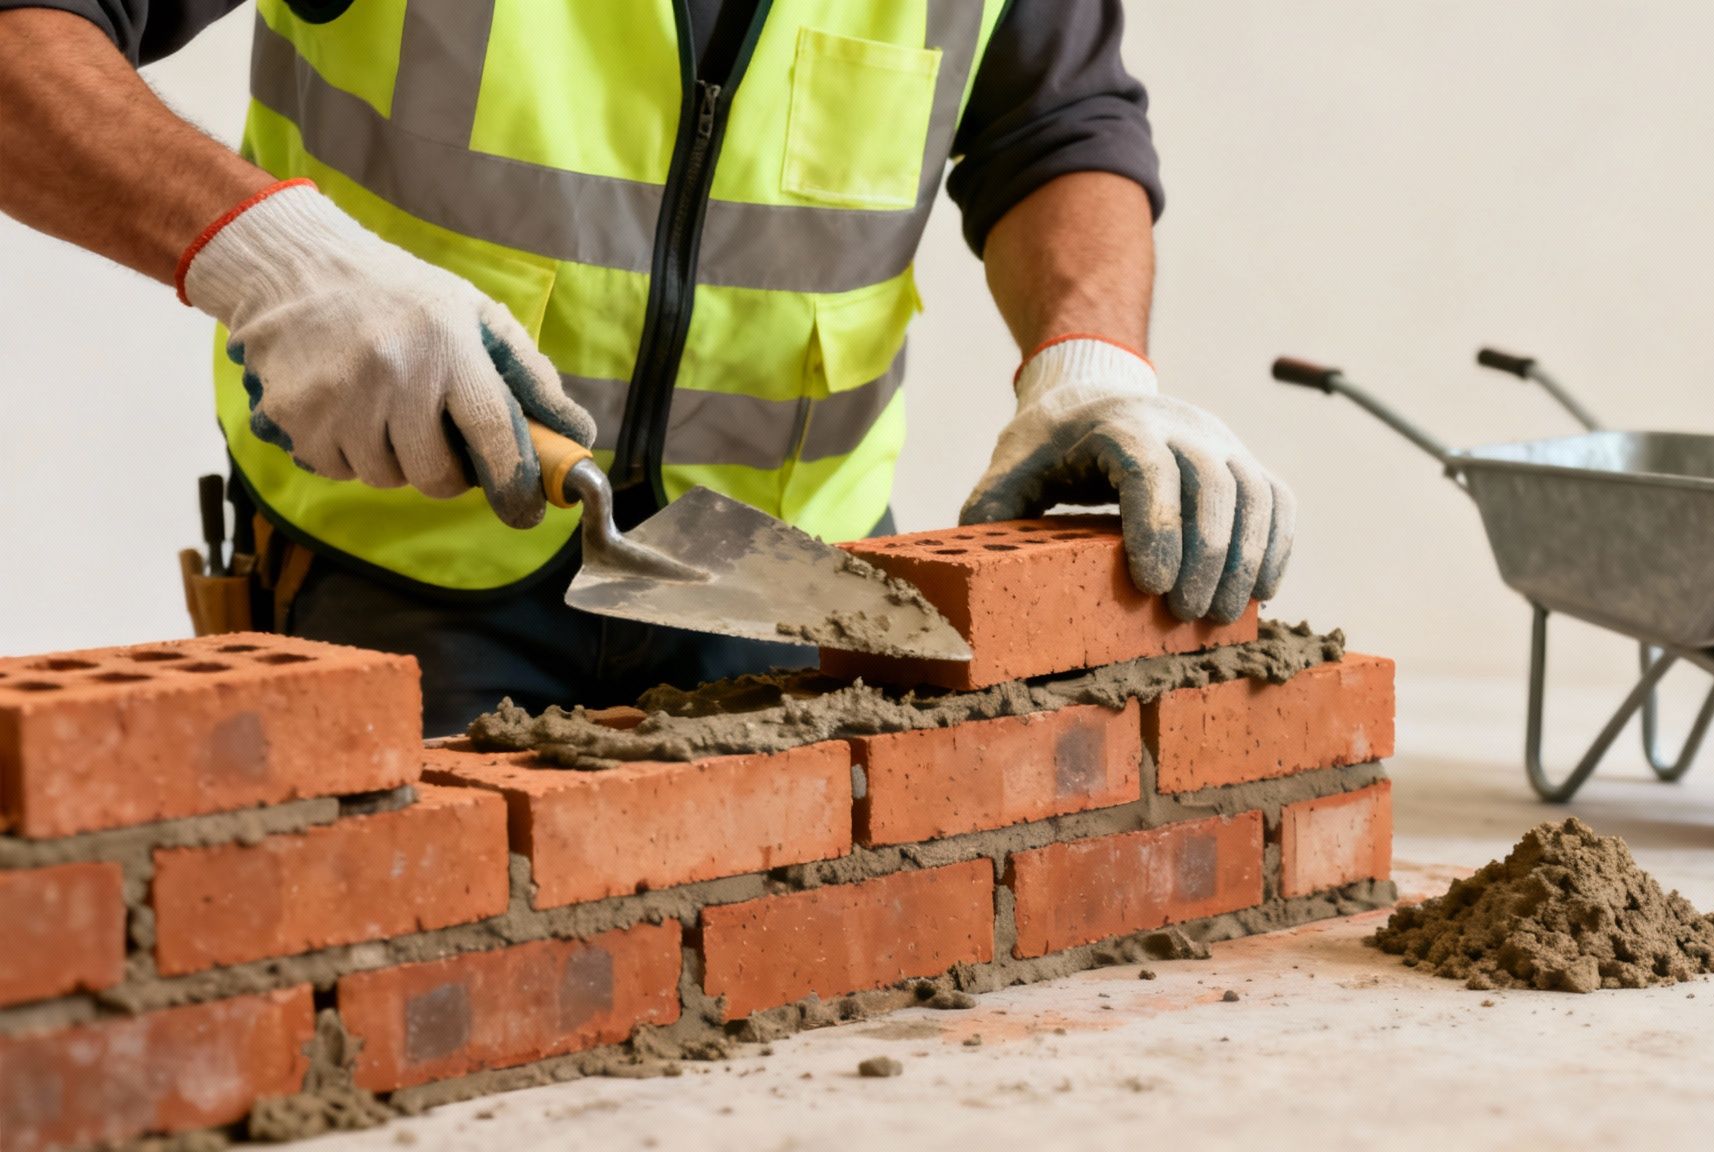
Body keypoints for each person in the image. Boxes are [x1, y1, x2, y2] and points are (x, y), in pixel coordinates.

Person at [0, 0, 1294, 734]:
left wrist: (1092, 358)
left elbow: (1054, 122)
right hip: (409, 574)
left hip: (789, 579)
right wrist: (270, 256)